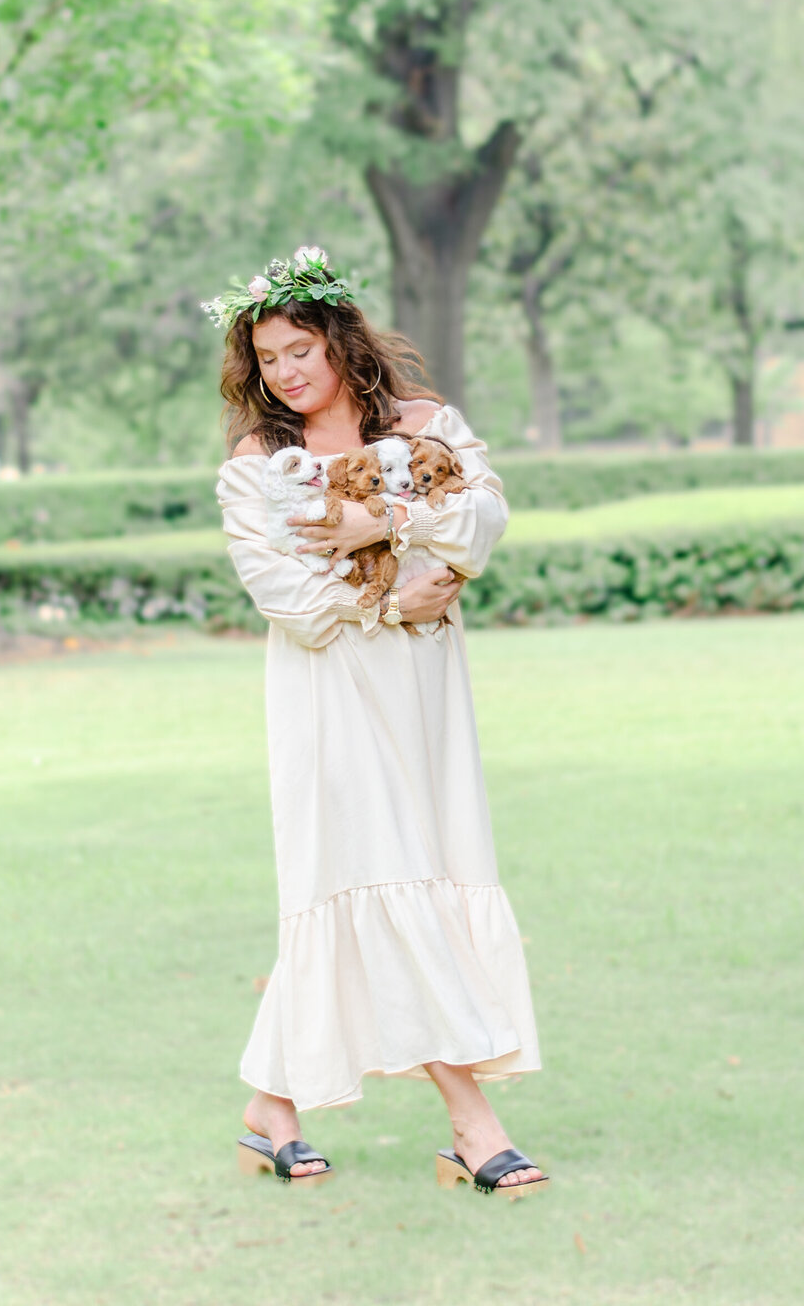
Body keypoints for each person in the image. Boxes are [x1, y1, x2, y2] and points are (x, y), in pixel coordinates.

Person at [206, 248, 547, 1197]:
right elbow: (290, 594)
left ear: (340, 342)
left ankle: (271, 1107)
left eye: (300, 348)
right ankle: (472, 1126)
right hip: (331, 692)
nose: (287, 372)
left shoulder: (426, 426)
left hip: (426, 692)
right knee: (378, 869)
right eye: (268, 358)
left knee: (382, 874)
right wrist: (397, 586)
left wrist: (378, 528)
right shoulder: (257, 468)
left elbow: (479, 520)